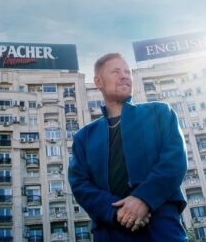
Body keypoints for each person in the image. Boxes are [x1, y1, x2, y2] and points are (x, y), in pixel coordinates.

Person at [68, 53, 188, 241]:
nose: (124, 76)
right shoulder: (84, 137)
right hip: (110, 230)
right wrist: (115, 212)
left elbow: (174, 161)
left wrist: (144, 199)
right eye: (115, 71)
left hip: (161, 227)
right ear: (98, 82)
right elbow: (80, 185)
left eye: (127, 71)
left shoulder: (159, 113)